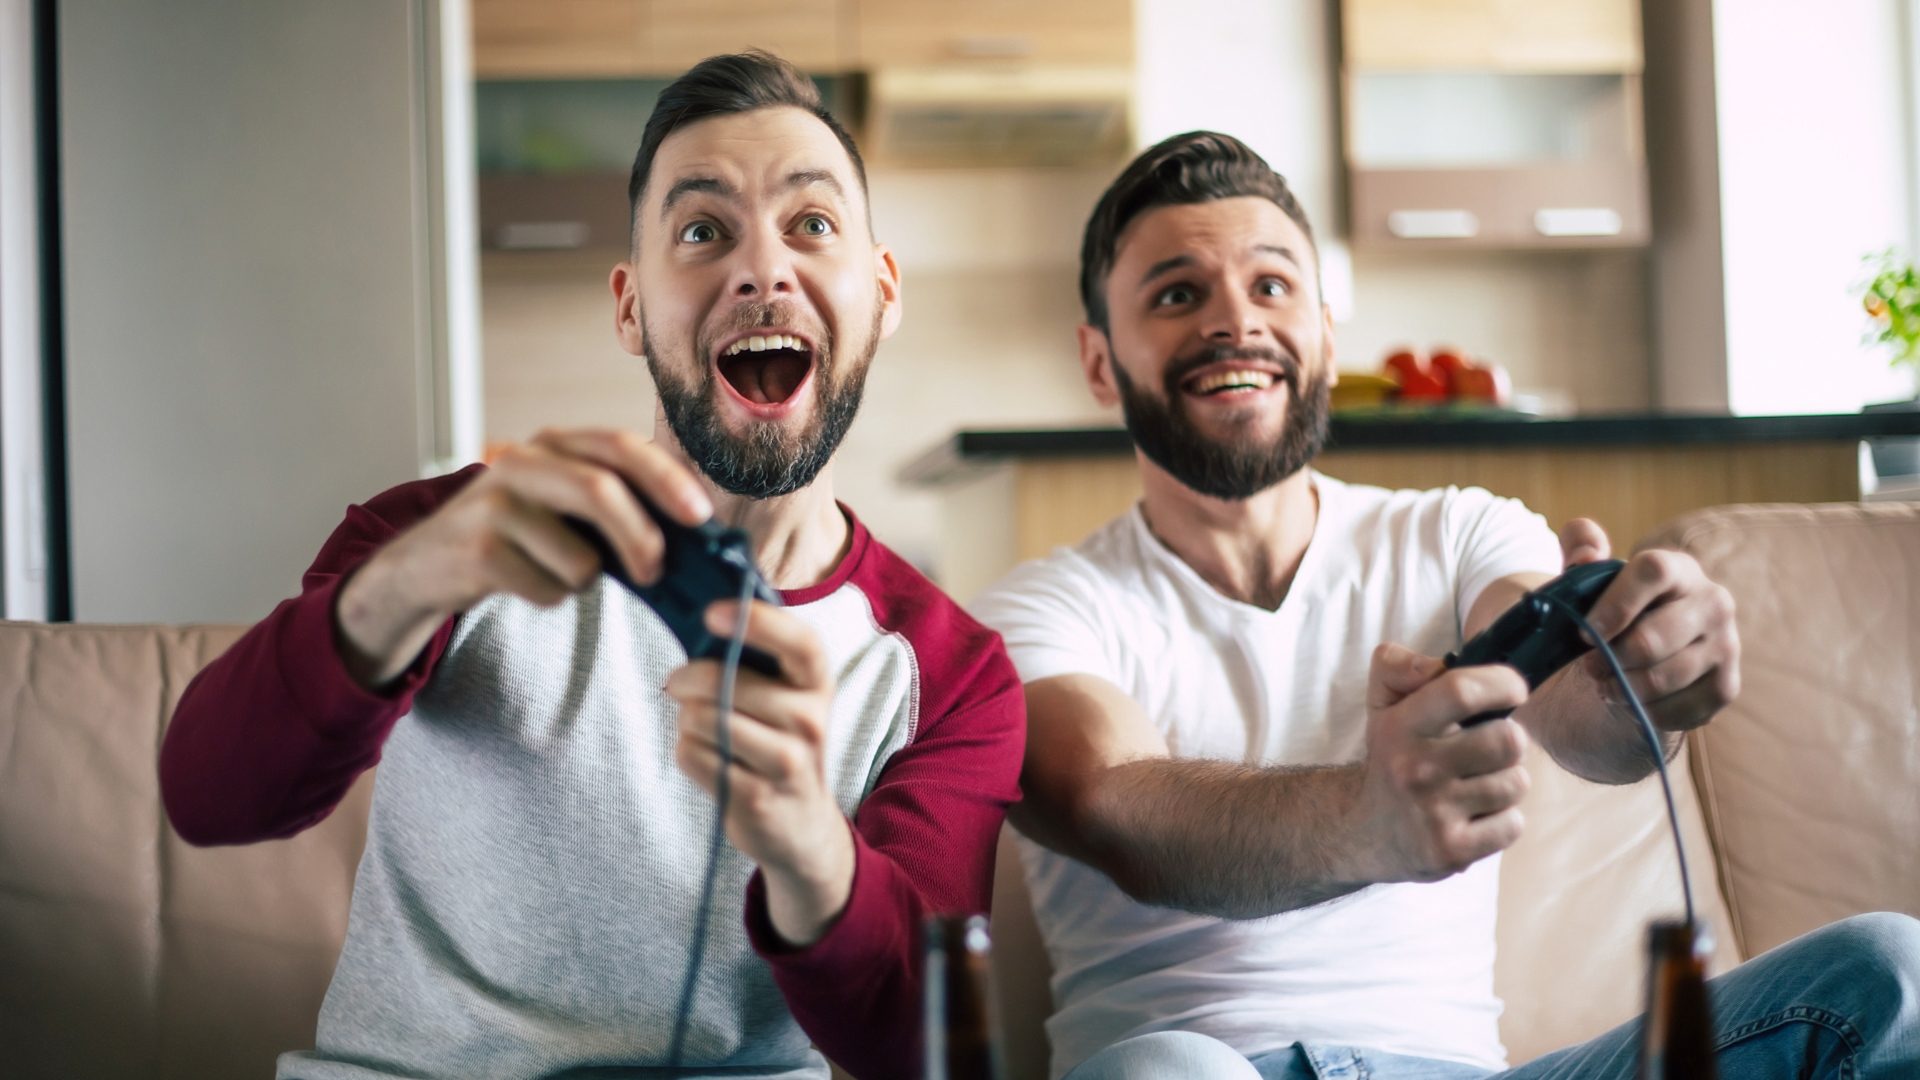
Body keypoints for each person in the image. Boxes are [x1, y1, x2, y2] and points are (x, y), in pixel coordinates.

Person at [969, 131, 1920, 1080]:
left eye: (1271, 286)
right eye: (1178, 294)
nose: (1235, 321)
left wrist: (1639, 677)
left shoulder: (1460, 534)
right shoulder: (1039, 608)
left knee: (1890, 971)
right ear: (1100, 362)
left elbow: (1583, 716)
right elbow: (1113, 802)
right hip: (1201, 1067)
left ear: (1327, 335)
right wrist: (1363, 819)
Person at [159, 52, 1024, 1080]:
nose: (762, 271)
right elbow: (210, 796)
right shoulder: (446, 537)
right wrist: (413, 577)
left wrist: (808, 846)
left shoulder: (953, 674)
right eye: (702, 232)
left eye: (812, 225)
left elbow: (924, 1046)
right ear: (628, 308)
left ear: (881, 292)